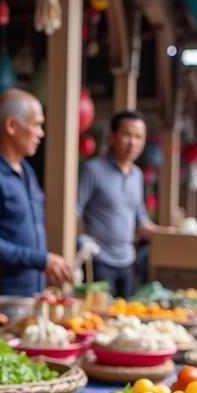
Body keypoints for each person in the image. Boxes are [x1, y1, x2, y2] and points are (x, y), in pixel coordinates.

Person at [0, 89, 73, 295]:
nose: (41, 133)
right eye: (36, 124)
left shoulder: (27, 171)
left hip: (33, 292)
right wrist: (41, 260)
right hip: (1, 295)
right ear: (11, 125)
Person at [76, 111, 171, 298]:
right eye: (127, 135)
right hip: (99, 261)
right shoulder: (92, 170)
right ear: (112, 136)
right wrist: (78, 244)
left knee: (125, 318)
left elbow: (141, 223)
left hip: (128, 262)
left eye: (138, 137)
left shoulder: (137, 175)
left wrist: (168, 234)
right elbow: (73, 211)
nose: (132, 142)